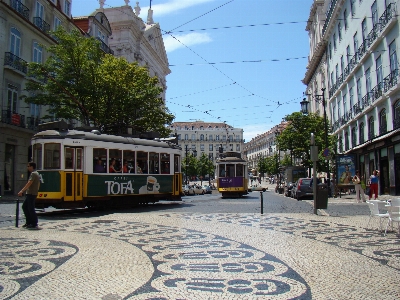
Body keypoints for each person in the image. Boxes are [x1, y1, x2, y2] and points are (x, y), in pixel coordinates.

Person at [18, 162, 40, 229]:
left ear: (32, 167)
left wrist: (22, 191)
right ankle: (29, 222)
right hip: (32, 193)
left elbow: (29, 183)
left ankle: (33, 223)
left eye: (28, 166)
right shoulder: (36, 173)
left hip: (31, 193)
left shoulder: (33, 174)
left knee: (30, 208)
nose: (27, 167)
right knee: (25, 207)